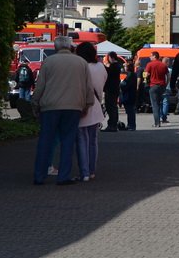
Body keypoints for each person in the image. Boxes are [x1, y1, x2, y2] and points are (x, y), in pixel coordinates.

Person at [32, 36, 95, 185]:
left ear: (55, 47)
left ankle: (39, 176)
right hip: (73, 107)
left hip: (50, 107)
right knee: (68, 142)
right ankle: (64, 176)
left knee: (45, 141)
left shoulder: (48, 62)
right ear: (70, 47)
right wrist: (87, 104)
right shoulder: (81, 62)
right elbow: (88, 86)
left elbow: (40, 86)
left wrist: (35, 103)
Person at [75, 42, 105, 181]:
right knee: (93, 140)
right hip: (97, 105)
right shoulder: (101, 67)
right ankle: (92, 170)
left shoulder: (81, 66)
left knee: (82, 140)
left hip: (83, 105)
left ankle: (85, 172)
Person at [144, 51, 170, 127]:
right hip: (162, 86)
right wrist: (166, 84)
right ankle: (162, 118)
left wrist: (145, 80)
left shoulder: (150, 64)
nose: (149, 57)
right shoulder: (163, 65)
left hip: (153, 86)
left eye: (151, 56)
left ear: (154, 56)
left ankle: (157, 123)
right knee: (160, 103)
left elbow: (146, 75)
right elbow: (168, 76)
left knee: (155, 105)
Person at [102, 51, 123, 131]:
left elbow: (109, 73)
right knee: (113, 107)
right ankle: (113, 124)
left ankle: (112, 125)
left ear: (111, 57)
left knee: (110, 107)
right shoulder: (117, 65)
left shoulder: (114, 66)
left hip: (111, 89)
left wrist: (104, 66)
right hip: (114, 88)